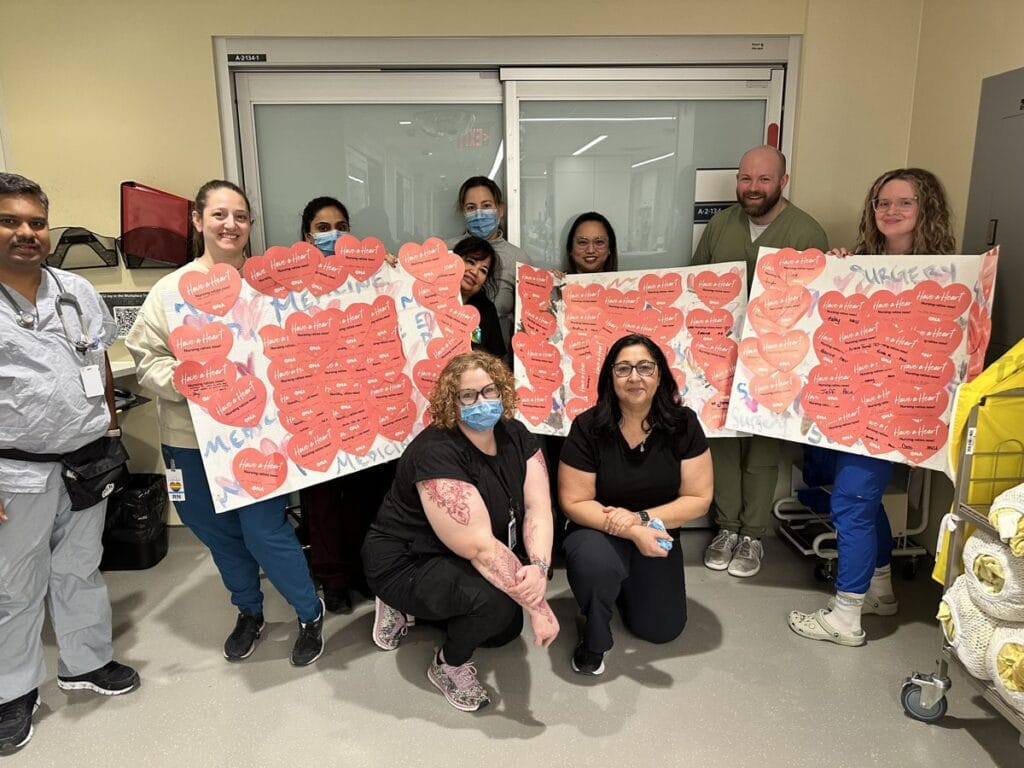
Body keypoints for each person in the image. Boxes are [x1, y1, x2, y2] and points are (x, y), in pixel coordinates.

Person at [126, 180, 325, 666]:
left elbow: (318, 326)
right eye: (218, 214)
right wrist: (192, 383)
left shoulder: (270, 284)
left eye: (240, 216)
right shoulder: (171, 292)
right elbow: (146, 358)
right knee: (215, 530)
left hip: (259, 438)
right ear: (198, 220)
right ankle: (249, 610)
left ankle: (308, 611)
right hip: (190, 439)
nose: (230, 225)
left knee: (264, 530)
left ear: (250, 224)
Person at [788, 168, 957, 647]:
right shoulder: (862, 264)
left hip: (899, 410)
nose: (890, 211)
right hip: (854, 406)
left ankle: (846, 618)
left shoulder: (947, 274)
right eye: (883, 202)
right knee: (862, 500)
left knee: (852, 503)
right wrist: (837, 272)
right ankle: (880, 589)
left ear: (926, 209)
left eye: (904, 202)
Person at [0, 173, 139, 754]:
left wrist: (111, 428)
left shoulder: (76, 290)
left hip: (87, 460)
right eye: (9, 221)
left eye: (36, 222)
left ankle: (85, 662)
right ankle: (12, 691)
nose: (26, 232)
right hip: (16, 471)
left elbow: (99, 361)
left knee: (80, 567)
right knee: (15, 584)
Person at [362, 351, 558, 712]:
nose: (482, 402)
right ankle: (446, 663)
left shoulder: (516, 434)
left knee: (504, 631)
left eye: (489, 390)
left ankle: (425, 611)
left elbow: (538, 508)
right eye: (468, 395)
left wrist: (540, 568)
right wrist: (539, 606)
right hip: (406, 560)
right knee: (495, 604)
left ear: (502, 390)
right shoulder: (436, 452)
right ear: (451, 402)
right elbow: (480, 547)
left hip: (457, 551)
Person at [692, 145, 828, 579]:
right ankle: (726, 528)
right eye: (745, 178)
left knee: (763, 448)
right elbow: (697, 283)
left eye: (764, 179)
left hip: (775, 363)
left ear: (783, 182)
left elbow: (818, 301)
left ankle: (752, 533)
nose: (753, 187)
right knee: (722, 445)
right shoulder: (720, 225)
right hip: (721, 358)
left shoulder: (806, 231)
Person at [559, 334, 713, 675]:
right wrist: (629, 529)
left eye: (645, 367)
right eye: (623, 368)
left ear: (660, 375)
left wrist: (640, 520)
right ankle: (594, 638)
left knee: (661, 630)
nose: (634, 377)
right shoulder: (588, 427)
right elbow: (574, 501)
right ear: (610, 377)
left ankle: (622, 584)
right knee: (596, 565)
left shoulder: (683, 424)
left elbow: (699, 498)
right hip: (597, 529)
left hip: (655, 529)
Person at [294, 195, 393, 614]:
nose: (332, 234)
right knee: (322, 501)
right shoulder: (290, 284)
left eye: (340, 226)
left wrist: (393, 271)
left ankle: (367, 573)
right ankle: (332, 578)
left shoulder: (371, 276)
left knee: (367, 495)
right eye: (322, 228)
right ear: (307, 236)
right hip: (313, 409)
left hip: (365, 407)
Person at [447, 176, 531, 349]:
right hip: (444, 352)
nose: (479, 214)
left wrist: (555, 283)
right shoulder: (447, 251)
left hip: (495, 357)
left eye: (486, 206)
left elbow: (530, 316)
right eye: (471, 208)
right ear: (463, 212)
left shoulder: (518, 259)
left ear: (500, 210)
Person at [453, 236, 506, 359]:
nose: (475, 272)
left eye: (483, 270)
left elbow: (497, 359)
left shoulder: (487, 310)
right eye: (471, 262)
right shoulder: (431, 295)